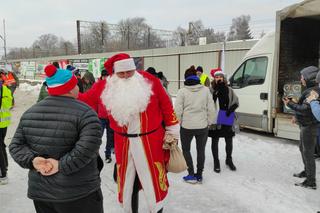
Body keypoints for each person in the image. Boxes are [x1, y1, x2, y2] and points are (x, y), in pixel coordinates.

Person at [78, 53, 179, 213]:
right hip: (123, 143)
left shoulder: (149, 80)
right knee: (128, 183)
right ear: (114, 73)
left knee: (153, 181)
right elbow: (84, 100)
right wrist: (65, 91)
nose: (125, 76)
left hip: (151, 141)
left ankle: (157, 209)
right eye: (121, 73)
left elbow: (167, 105)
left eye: (129, 72)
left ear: (134, 68)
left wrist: (172, 128)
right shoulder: (105, 85)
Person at [9, 64, 104, 213]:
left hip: (42, 194)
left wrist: (33, 161)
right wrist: (60, 165)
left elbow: (15, 146)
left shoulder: (30, 112)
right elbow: (88, 148)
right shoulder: (87, 113)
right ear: (71, 88)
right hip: (78, 193)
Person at [174, 66, 215, 183]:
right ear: (197, 77)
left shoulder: (182, 91)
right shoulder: (206, 90)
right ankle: (199, 175)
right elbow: (211, 109)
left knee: (186, 150)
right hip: (202, 126)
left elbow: (177, 111)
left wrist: (180, 122)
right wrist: (208, 122)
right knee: (201, 150)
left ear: (185, 78)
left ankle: (191, 174)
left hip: (187, 127)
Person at [283, 65, 319, 190]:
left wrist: (290, 104)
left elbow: (305, 110)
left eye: (303, 76)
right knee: (302, 149)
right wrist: (296, 116)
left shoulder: (313, 91)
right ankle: (307, 171)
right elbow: (305, 106)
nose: (301, 79)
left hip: (309, 126)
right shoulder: (310, 90)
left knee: (308, 153)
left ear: (309, 78)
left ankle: (311, 181)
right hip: (305, 124)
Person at [208, 68, 239, 173]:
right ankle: (216, 161)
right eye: (216, 77)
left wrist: (230, 110)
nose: (218, 78)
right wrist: (214, 95)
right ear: (214, 79)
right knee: (215, 139)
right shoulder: (211, 89)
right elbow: (207, 103)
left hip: (226, 115)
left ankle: (229, 159)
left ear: (224, 78)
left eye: (220, 77)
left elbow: (236, 102)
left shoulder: (229, 90)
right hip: (215, 117)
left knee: (229, 139)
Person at [0, 79, 13, 185]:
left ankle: (2, 174)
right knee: (1, 145)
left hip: (1, 122)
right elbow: (10, 104)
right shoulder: (5, 88)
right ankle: (5, 166)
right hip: (4, 123)